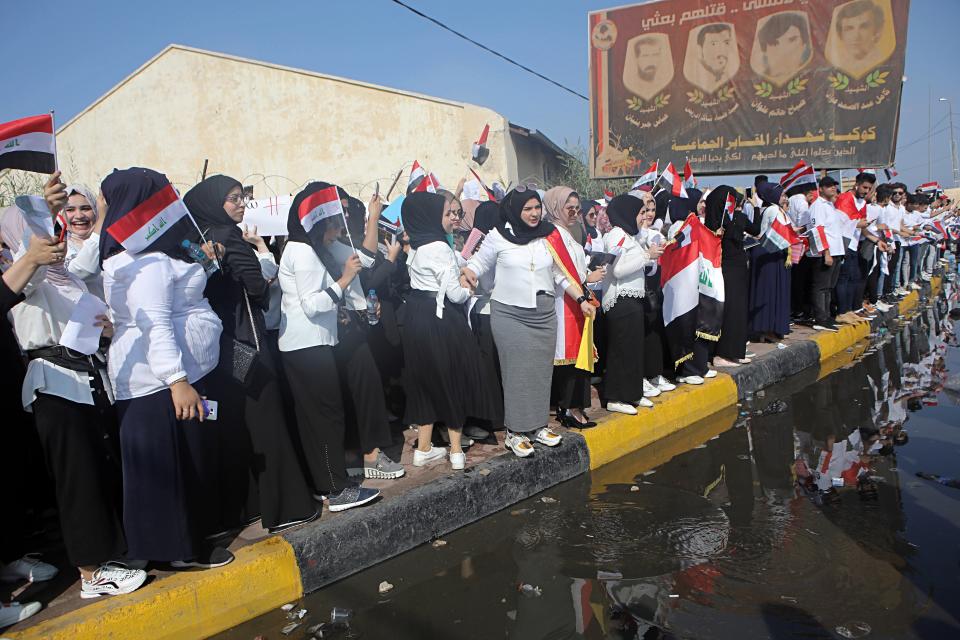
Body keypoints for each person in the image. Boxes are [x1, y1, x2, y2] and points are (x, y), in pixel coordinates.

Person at [3, 197, 148, 598]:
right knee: (77, 480)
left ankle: (109, 555)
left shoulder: (63, 276)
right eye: (51, 228)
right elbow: (25, 280)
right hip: (53, 385)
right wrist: (34, 251)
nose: (58, 237)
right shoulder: (27, 271)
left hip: (84, 379)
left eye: (60, 228)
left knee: (97, 471)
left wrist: (103, 330)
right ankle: (90, 573)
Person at [99, 167, 233, 569]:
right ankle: (179, 551)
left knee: (181, 463)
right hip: (158, 382)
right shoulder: (146, 262)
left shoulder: (146, 256)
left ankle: (185, 539)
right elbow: (154, 322)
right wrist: (177, 381)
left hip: (164, 379)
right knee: (168, 470)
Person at [183, 175, 320, 534]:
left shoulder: (199, 240)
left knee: (238, 429)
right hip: (249, 343)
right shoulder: (228, 237)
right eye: (233, 198)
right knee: (268, 424)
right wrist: (263, 265)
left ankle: (252, 505)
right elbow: (257, 290)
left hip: (219, 350)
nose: (242, 203)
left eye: (243, 197)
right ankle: (287, 506)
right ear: (215, 203)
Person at [462, 188, 594, 456]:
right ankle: (515, 431)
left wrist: (581, 300)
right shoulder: (498, 236)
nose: (534, 214)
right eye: (527, 209)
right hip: (510, 313)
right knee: (517, 373)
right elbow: (476, 263)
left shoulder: (548, 235)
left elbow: (561, 274)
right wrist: (468, 273)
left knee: (541, 371)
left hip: (544, 313)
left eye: (537, 208)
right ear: (514, 210)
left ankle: (537, 426)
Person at [277, 182, 381, 511]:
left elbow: (362, 258)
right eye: (334, 222)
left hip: (315, 345)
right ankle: (334, 489)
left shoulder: (320, 247)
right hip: (306, 348)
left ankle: (330, 481)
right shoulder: (303, 251)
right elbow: (312, 305)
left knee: (324, 418)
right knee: (325, 419)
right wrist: (345, 279)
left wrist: (373, 219)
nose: (339, 228)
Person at [399, 192, 493, 470]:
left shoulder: (416, 244)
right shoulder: (438, 247)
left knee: (425, 382)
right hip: (440, 320)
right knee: (452, 378)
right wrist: (468, 287)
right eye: (445, 213)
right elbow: (455, 294)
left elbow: (445, 269)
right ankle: (455, 451)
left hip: (417, 316)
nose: (452, 218)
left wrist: (461, 270)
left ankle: (424, 447)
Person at [543, 187, 603, 428]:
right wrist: (580, 296)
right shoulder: (553, 236)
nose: (575, 213)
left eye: (578, 209)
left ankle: (576, 406)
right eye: (570, 208)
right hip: (564, 301)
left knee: (580, 355)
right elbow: (560, 274)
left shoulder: (569, 233)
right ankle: (568, 407)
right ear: (557, 207)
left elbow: (576, 271)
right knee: (569, 357)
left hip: (578, 298)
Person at [600, 195, 662, 415]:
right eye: (639, 213)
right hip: (620, 299)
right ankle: (616, 396)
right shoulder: (616, 235)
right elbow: (617, 270)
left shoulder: (630, 236)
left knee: (634, 348)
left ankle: (633, 392)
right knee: (622, 349)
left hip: (633, 298)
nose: (643, 217)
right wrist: (646, 255)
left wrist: (649, 254)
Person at [705, 186, 762, 366]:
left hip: (735, 271)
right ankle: (722, 355)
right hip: (727, 272)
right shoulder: (719, 223)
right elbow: (756, 229)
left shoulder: (725, 220)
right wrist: (756, 208)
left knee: (737, 311)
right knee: (730, 312)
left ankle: (735, 351)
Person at [466, 201, 506, 435]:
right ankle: (498, 416)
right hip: (492, 309)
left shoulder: (482, 245)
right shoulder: (499, 241)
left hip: (485, 310)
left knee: (489, 368)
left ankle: (493, 417)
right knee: (495, 367)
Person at [636, 191, 675, 392]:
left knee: (654, 331)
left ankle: (655, 373)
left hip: (653, 287)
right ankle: (640, 376)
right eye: (645, 210)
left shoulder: (656, 234)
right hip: (636, 287)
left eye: (652, 209)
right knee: (640, 333)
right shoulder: (631, 234)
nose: (649, 214)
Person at [749, 182, 793, 341]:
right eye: (781, 195)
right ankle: (766, 328)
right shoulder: (773, 210)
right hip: (769, 252)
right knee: (769, 291)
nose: (785, 198)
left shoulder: (780, 210)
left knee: (777, 290)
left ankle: (774, 327)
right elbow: (780, 232)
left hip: (777, 253)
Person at [807, 176, 844, 332]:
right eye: (829, 186)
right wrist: (826, 252)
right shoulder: (818, 206)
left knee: (829, 287)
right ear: (820, 189)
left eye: (834, 186)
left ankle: (827, 316)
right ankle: (820, 318)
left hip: (836, 251)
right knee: (821, 287)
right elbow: (818, 230)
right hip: (825, 252)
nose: (833, 188)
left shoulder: (830, 205)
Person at [756, 12, 812, 83]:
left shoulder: (814, 79)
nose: (784, 50)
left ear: (803, 45)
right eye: (775, 43)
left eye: (792, 40)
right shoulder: (754, 83)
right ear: (764, 50)